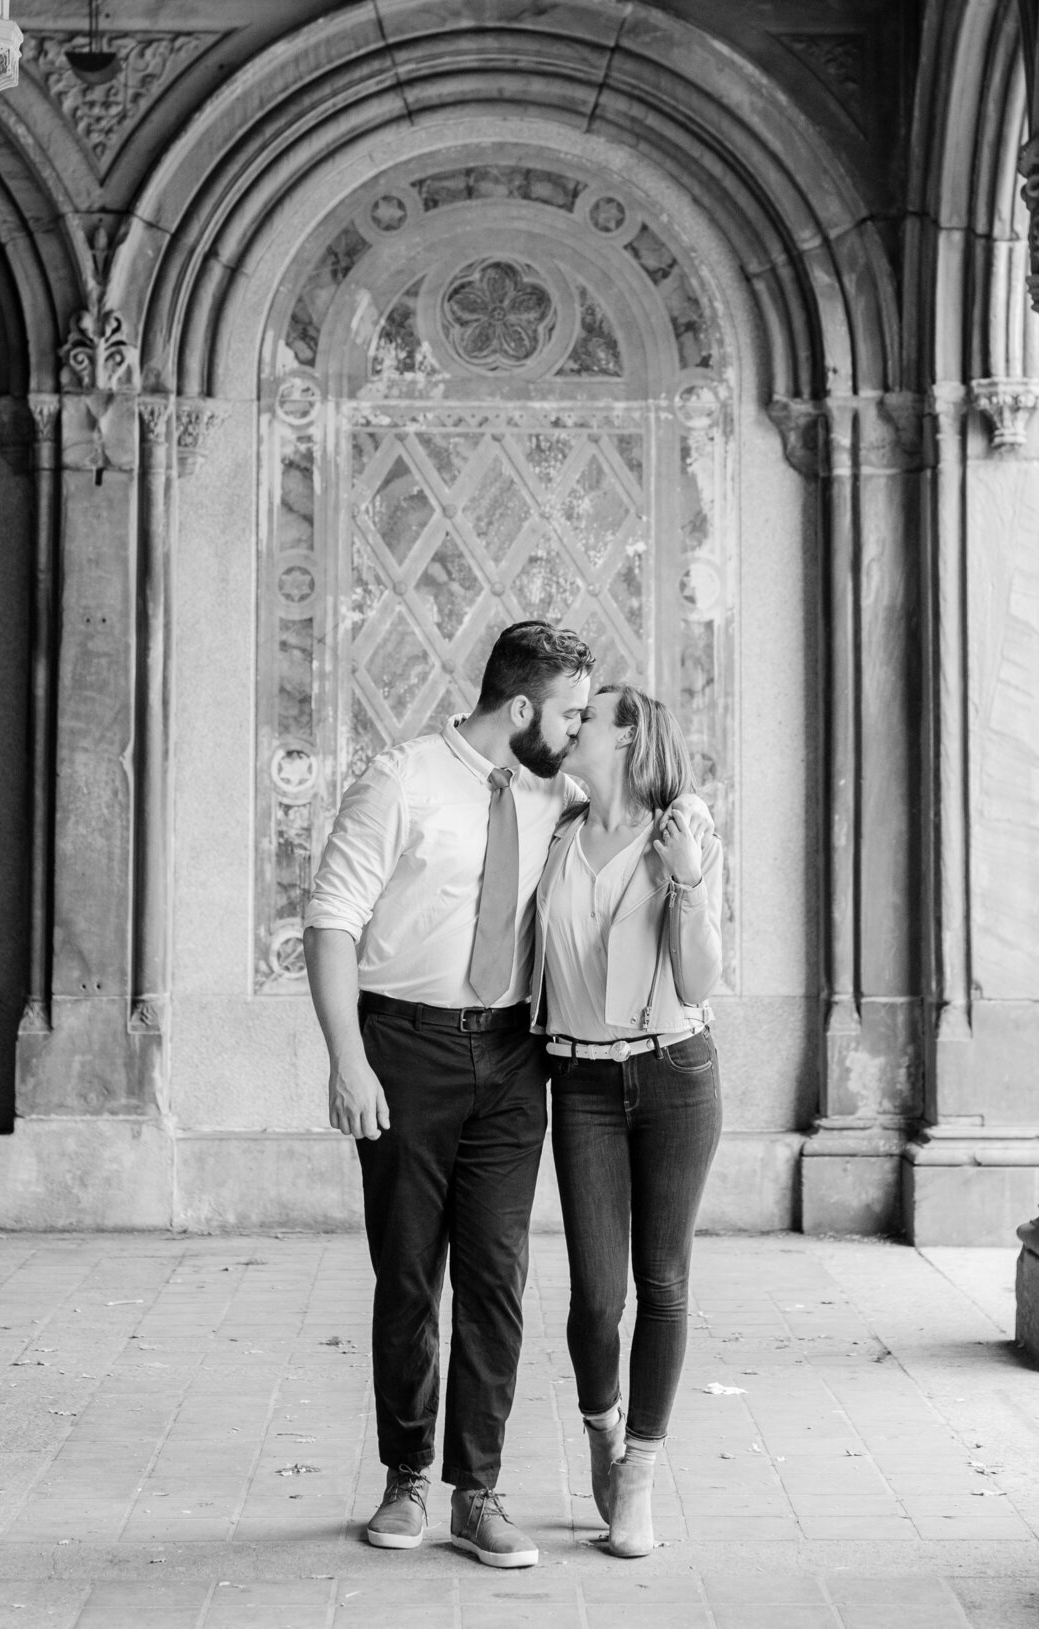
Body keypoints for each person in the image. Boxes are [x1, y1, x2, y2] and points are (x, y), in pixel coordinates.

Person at [302, 619, 594, 1571]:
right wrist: (349, 1061)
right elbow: (331, 921)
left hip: (515, 1056)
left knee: (497, 1278)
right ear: (521, 707)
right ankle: (404, 1478)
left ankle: (479, 1492)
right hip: (406, 1047)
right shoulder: (402, 779)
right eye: (569, 713)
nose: (578, 729)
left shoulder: (562, 794)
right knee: (409, 1273)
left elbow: (635, 817)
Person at [530, 682, 724, 1559]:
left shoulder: (679, 830)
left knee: (664, 1280)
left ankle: (640, 1469)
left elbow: (698, 982)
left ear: (629, 735)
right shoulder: (555, 829)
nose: (572, 726)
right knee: (595, 1295)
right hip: (580, 1081)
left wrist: (685, 883)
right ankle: (603, 1428)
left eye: (588, 717)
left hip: (675, 1071)